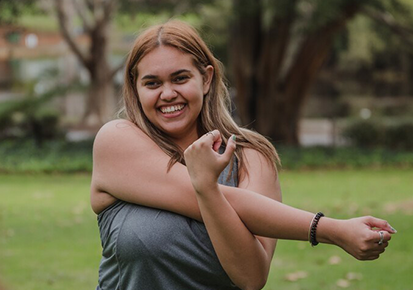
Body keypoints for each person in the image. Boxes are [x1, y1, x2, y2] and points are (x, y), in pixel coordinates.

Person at [90, 20, 396, 290]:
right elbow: (202, 195)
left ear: (206, 79)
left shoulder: (251, 158)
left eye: (180, 78)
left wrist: (208, 189)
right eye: (152, 83)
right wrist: (334, 229)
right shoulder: (117, 141)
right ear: (135, 87)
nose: (167, 93)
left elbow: (251, 278)